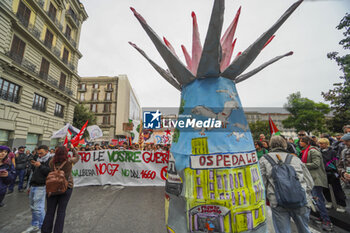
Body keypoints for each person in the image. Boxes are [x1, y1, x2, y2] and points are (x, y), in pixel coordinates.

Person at [259, 136, 313, 233]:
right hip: (300, 199)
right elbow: (309, 182)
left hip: (277, 201)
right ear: (285, 144)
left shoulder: (264, 159)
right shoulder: (295, 158)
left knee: (282, 230)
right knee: (304, 229)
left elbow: (261, 183)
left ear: (270, 145)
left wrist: (268, 197)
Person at [41, 145, 79, 233]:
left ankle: (46, 230)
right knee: (61, 211)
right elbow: (77, 157)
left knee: (50, 211)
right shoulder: (69, 161)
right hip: (66, 187)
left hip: (52, 188)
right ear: (66, 153)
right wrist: (73, 148)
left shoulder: (51, 162)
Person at [300, 136, 332, 231]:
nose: (299, 143)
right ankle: (323, 216)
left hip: (316, 179)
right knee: (316, 199)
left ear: (306, 142)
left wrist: (302, 165)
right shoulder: (306, 151)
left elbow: (316, 164)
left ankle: (327, 220)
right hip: (312, 179)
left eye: (301, 141)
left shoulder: (313, 151)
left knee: (318, 199)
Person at [22, 145, 52, 233]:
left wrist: (40, 166)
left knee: (38, 208)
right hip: (33, 185)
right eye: (38, 153)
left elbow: (50, 172)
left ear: (47, 151)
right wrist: (29, 186)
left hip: (41, 186)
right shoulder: (38, 159)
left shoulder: (50, 160)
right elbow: (33, 173)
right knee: (33, 207)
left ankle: (43, 228)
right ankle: (35, 225)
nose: (39, 155)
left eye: (41, 153)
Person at [318, 138, 347, 212]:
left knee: (337, 189)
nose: (320, 145)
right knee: (325, 189)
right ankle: (329, 202)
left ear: (326, 144)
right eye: (319, 143)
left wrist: (338, 173)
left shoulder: (333, 152)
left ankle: (341, 205)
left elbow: (335, 163)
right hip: (323, 173)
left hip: (333, 172)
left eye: (322, 143)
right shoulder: (318, 152)